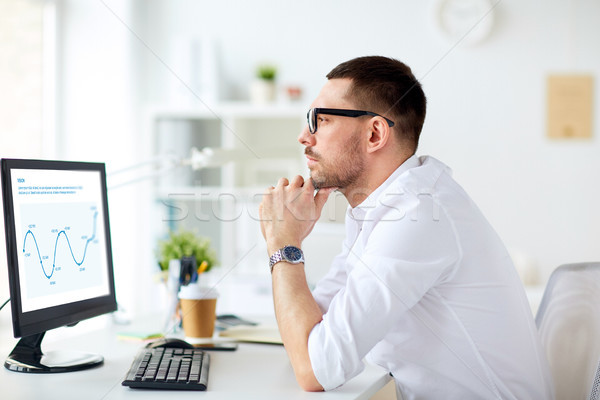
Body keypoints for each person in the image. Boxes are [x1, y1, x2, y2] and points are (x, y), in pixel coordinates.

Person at [259, 56, 553, 399]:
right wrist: (286, 242)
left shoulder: (419, 217)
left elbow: (315, 370)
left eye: (320, 120)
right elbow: (307, 335)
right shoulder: (380, 211)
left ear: (374, 133)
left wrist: (283, 243)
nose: (304, 137)